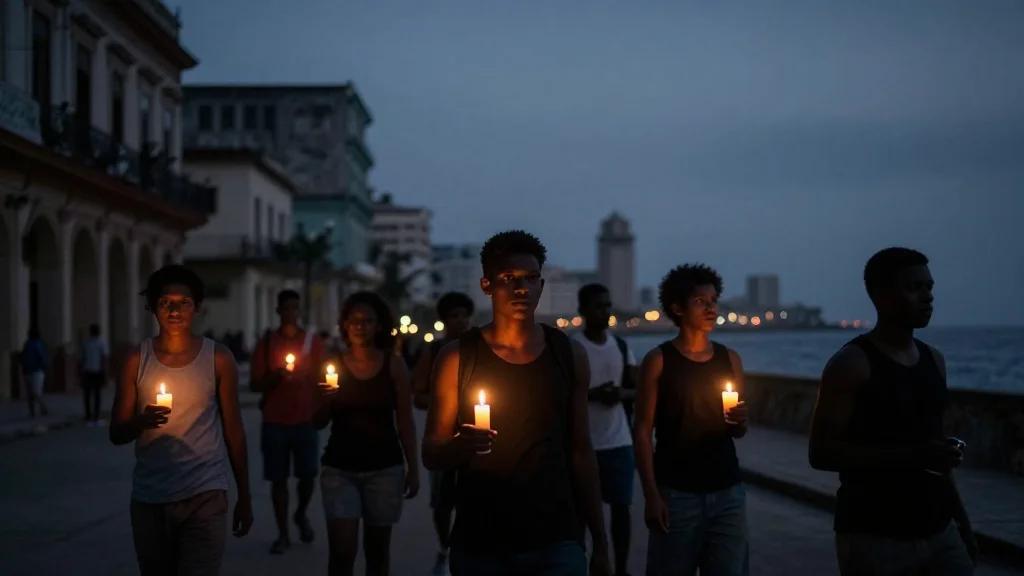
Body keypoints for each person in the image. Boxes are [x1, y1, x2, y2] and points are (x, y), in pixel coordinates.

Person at [423, 230, 612, 576]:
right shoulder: (457, 358)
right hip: (482, 539)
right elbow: (432, 453)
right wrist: (462, 445)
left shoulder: (569, 355)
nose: (521, 288)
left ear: (541, 284)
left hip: (557, 537)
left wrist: (600, 541)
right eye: (508, 279)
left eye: (531, 279)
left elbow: (582, 451)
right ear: (486, 285)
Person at [809, 248, 976, 575]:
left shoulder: (935, 360)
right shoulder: (852, 364)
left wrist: (962, 523)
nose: (927, 297)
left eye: (929, 287)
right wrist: (915, 456)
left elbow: (936, 455)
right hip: (874, 536)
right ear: (881, 296)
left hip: (940, 529)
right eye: (914, 288)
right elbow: (821, 454)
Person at [109, 265, 253, 575]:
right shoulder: (136, 360)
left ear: (198, 307)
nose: (174, 310)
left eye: (184, 302)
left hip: (205, 493)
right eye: (165, 303)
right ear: (152, 308)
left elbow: (234, 432)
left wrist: (245, 495)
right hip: (151, 497)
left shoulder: (218, 358)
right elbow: (117, 433)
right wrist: (141, 421)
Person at [634, 264, 750, 576]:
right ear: (677, 308)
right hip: (677, 493)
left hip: (727, 490)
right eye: (701, 301)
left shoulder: (730, 359)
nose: (711, 307)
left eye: (714, 300)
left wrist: (739, 421)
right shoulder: (658, 361)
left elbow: (738, 431)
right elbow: (643, 431)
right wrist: (651, 495)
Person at [315, 291, 420, 576]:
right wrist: (326, 399)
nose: (361, 326)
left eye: (368, 321)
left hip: (384, 468)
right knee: (342, 551)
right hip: (340, 469)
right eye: (355, 320)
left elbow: (406, 421)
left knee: (377, 551)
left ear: (379, 325)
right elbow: (317, 422)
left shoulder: (393, 365)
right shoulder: (332, 365)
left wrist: (413, 467)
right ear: (345, 324)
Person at [251, 289, 324, 554]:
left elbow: (323, 377)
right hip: (275, 421)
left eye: (296, 308)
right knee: (278, 480)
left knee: (308, 476)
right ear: (278, 311)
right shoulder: (267, 343)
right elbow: (255, 383)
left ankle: (300, 513)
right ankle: (283, 534)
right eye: (287, 308)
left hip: (305, 419)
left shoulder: (312, 342)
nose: (292, 313)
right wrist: (276, 377)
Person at [574, 283, 638, 576]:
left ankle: (621, 569)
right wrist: (593, 394)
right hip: (582, 446)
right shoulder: (573, 348)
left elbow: (636, 390)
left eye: (608, 305)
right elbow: (559, 394)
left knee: (621, 511)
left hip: (619, 443)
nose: (606, 312)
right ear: (584, 310)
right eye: (599, 306)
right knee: (581, 515)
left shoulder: (622, 347)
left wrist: (618, 394)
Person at [412, 291, 475, 575]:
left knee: (472, 497)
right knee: (441, 501)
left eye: (464, 315)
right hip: (444, 437)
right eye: (454, 316)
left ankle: (468, 547)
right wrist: (445, 406)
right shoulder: (435, 351)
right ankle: (445, 545)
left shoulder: (478, 349)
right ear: (444, 320)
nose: (460, 321)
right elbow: (418, 395)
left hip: (475, 437)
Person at [80, 323, 109, 425]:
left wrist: (81, 370)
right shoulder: (101, 342)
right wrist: (105, 371)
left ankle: (88, 416)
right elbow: (104, 358)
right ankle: (95, 416)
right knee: (96, 394)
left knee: (87, 394)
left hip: (87, 370)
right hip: (97, 371)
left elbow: (82, 358)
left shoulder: (86, 342)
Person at [20, 327, 49, 418]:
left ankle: (43, 408)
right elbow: (23, 356)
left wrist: (43, 367)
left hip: (37, 371)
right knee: (30, 393)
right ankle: (32, 412)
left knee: (36, 392)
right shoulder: (28, 344)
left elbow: (42, 357)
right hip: (29, 370)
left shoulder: (37, 344)